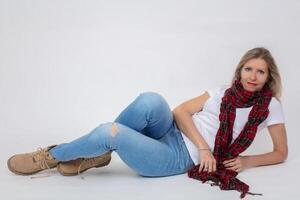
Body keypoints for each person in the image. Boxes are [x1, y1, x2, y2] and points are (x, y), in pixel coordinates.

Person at [7, 47, 288, 197]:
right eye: (248, 69)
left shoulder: (270, 107)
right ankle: (99, 153)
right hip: (172, 133)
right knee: (151, 100)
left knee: (111, 132)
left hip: (176, 156)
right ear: (239, 71)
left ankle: (51, 156)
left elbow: (280, 152)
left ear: (268, 77)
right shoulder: (219, 93)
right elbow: (180, 112)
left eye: (260, 72)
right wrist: (204, 145)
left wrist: (247, 162)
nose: (252, 76)